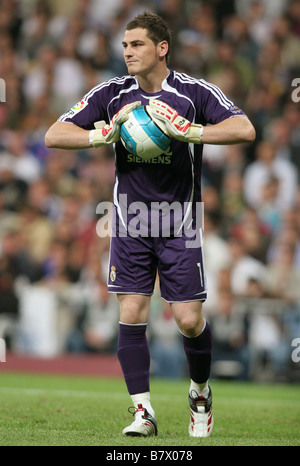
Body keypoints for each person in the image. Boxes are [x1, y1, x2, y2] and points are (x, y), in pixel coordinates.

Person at [45, 12, 255, 438]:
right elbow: (54, 133)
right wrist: (97, 137)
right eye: (125, 45)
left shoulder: (194, 93)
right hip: (130, 220)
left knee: (188, 320)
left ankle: (199, 392)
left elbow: (245, 128)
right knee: (132, 311)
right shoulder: (112, 93)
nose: (127, 52)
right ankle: (143, 412)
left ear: (162, 48)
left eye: (137, 44)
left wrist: (191, 131)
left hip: (180, 221)